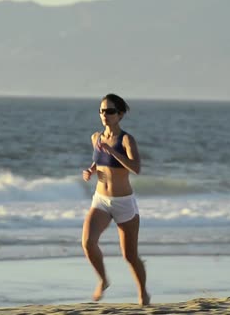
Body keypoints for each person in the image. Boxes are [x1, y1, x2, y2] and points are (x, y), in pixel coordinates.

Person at [81, 93, 150, 305]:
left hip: (124, 202)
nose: (104, 115)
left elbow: (136, 168)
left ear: (119, 115)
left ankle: (143, 293)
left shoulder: (126, 139)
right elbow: (99, 160)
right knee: (88, 243)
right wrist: (91, 170)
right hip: (101, 199)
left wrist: (113, 151)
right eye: (102, 111)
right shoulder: (96, 137)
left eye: (110, 111)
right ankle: (103, 280)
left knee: (130, 256)